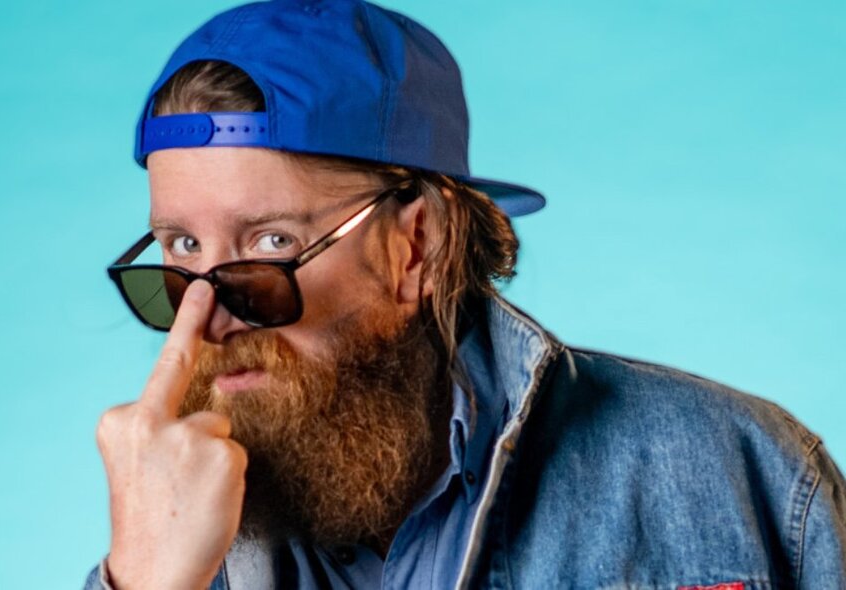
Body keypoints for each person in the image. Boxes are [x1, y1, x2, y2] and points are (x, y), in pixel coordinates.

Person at [83, 1, 846, 588]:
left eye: (270, 243)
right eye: (182, 248)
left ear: (416, 246)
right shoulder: (169, 533)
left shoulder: (745, 475)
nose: (203, 314)